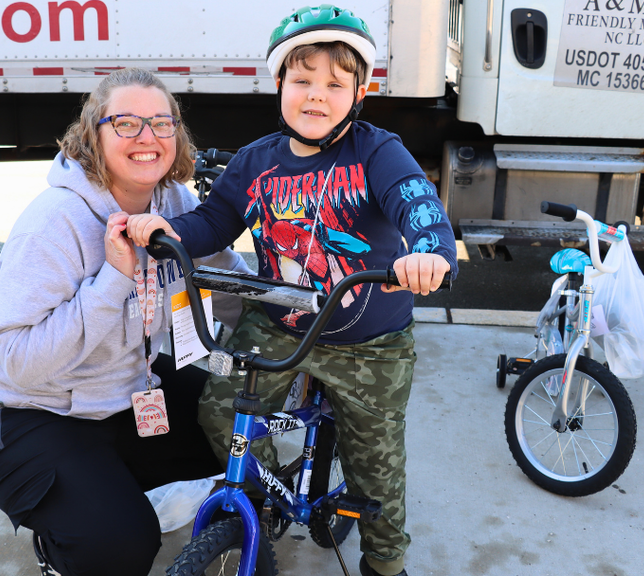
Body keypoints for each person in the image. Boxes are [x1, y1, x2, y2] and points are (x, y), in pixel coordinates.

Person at [125, 6, 458, 576]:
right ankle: (258, 497)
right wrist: (170, 232)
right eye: (302, 80)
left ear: (359, 94)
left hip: (370, 342)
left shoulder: (378, 151)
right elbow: (215, 220)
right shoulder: (256, 162)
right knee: (221, 407)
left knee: (376, 467)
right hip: (280, 319)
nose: (316, 95)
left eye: (335, 84)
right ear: (279, 83)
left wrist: (430, 253)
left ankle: (385, 562)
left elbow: (418, 205)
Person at [0, 68, 251, 576]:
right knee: (122, 544)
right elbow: (20, 364)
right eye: (127, 123)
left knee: (244, 433)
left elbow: (225, 281)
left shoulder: (174, 202)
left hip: (127, 392)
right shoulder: (56, 221)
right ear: (94, 133)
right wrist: (114, 279)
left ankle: (103, 489)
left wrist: (300, 321)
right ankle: (68, 546)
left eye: (162, 123)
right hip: (24, 411)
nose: (147, 138)